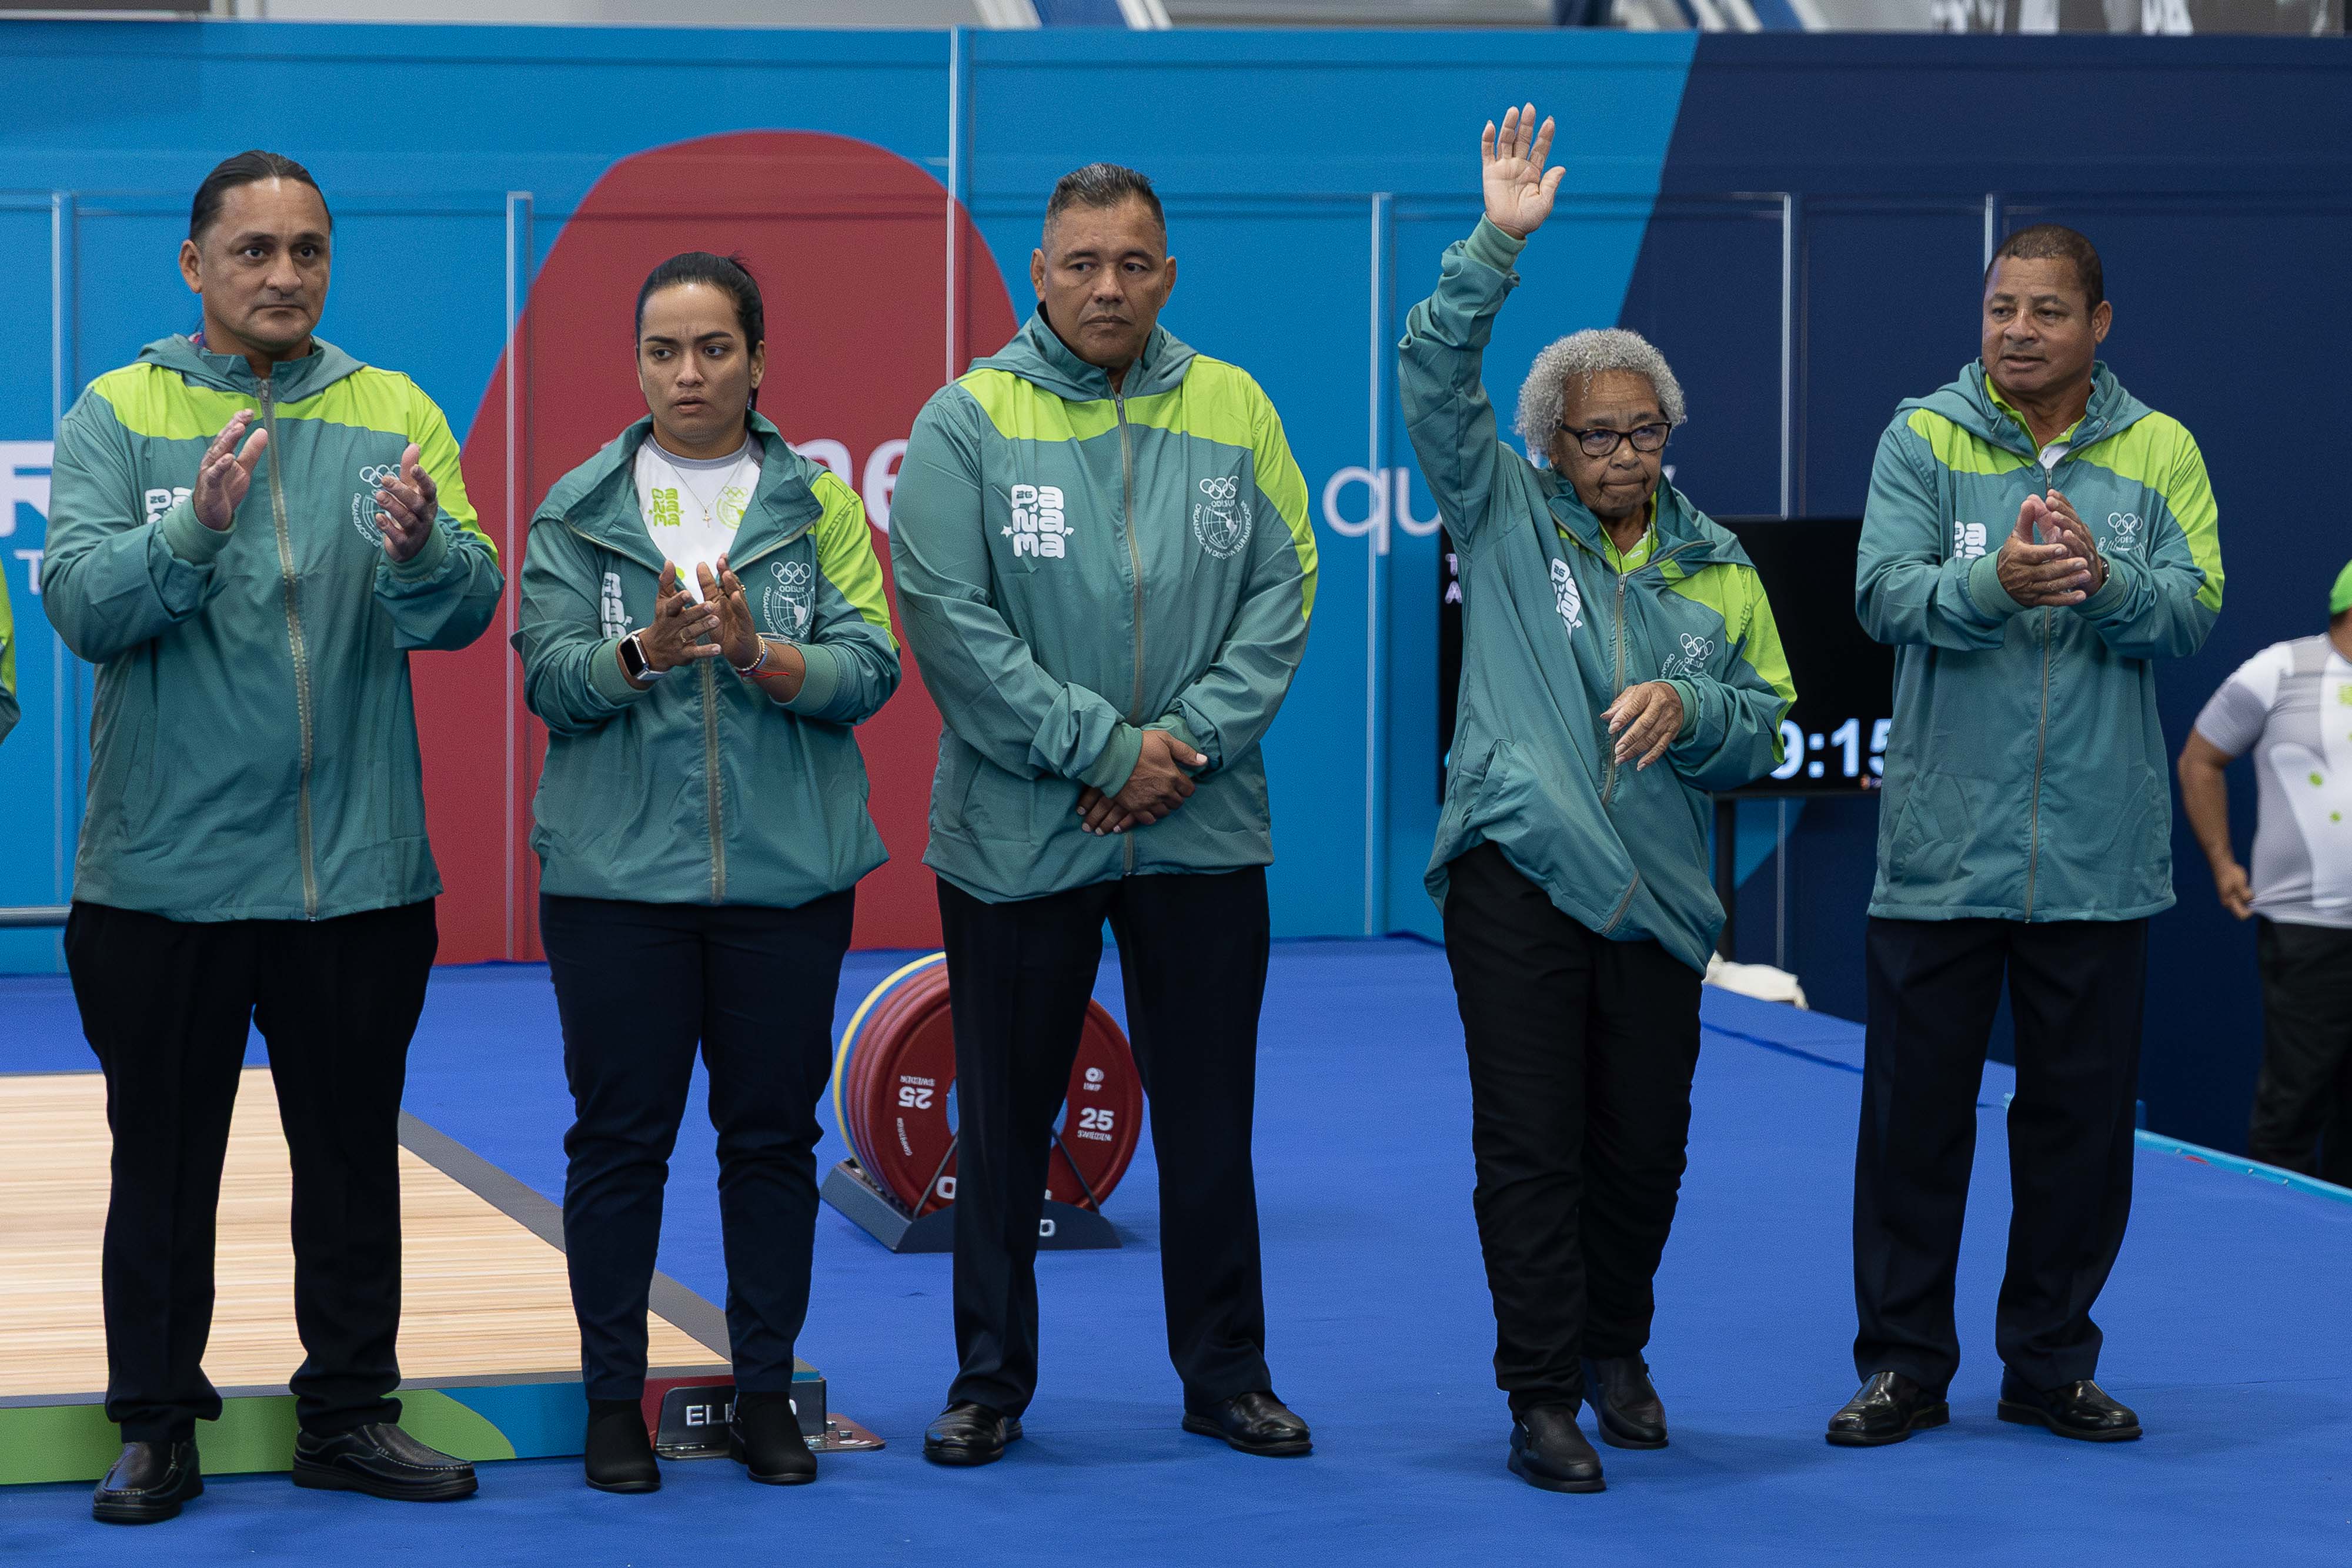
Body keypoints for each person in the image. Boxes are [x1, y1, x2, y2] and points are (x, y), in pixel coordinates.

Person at [42, 150, 503, 1523]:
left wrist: (425, 552)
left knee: (354, 1162)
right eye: (253, 251)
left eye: (306, 249)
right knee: (163, 1165)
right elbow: (79, 604)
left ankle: (350, 1414)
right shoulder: (115, 413)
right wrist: (192, 529)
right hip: (163, 879)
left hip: (354, 876)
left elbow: (466, 604)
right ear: (194, 265)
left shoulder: (394, 410)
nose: (284, 274)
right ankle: (154, 1427)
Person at [890, 162, 1319, 1467]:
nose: (1107, 287)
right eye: (1081, 262)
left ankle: (1227, 1374)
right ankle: (987, 1383)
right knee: (1003, 1122)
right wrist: (1101, 747)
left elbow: (1282, 588)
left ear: (1167, 275)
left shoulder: (1234, 404)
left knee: (1208, 1115)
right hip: (1020, 835)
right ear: (1038, 271)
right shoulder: (967, 419)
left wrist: (1171, 753)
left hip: (1199, 825)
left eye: (1132, 263)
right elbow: (947, 623)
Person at [1401, 106, 1796, 1495]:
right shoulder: (1501, 517)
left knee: (1642, 1150)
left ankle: (1614, 1348)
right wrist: (1494, 249)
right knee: (1529, 1143)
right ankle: (1538, 1395)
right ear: (1550, 449)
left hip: (1661, 899)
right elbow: (1431, 376)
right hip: (1516, 871)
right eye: (1593, 436)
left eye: (1641, 432)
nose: (1620, 455)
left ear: (1667, 436)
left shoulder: (1719, 566)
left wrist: (1695, 712)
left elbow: (1766, 727)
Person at [517, 252, 899, 1492]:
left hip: (786, 884)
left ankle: (766, 1390)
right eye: (664, 351)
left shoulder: (815, 501)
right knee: (619, 1144)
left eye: (714, 348)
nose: (690, 373)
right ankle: (612, 1401)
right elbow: (549, 684)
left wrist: (761, 655)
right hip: (615, 888)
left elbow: (871, 668)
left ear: (757, 358)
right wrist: (636, 652)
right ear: (635, 364)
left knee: (771, 1139)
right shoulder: (579, 504)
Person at [1838, 223, 2223, 1447]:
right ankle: (1902, 1364)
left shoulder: (2159, 448)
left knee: (2077, 1130)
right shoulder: (1921, 435)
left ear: (2096, 323)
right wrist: (1989, 585)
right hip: (1939, 858)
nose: (2015, 330)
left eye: (2044, 311)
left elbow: (2191, 610)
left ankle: (2047, 1362)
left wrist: (2103, 583)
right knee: (1911, 1127)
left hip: (2097, 862)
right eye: (2000, 307)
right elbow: (1878, 593)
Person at [2177, 560, 2352, 1184]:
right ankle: (2281, 1248)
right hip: (2307, 933)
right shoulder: (2278, 669)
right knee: (2294, 1106)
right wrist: (2223, 864)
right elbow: (2200, 760)